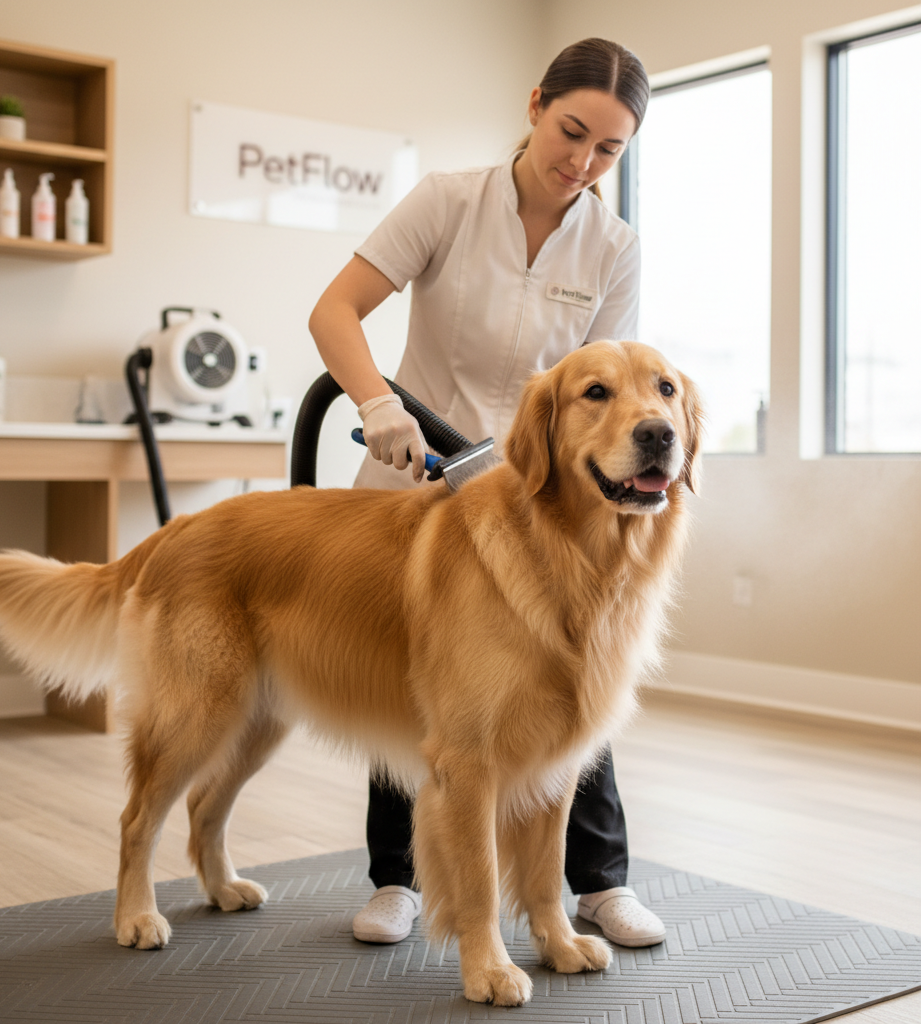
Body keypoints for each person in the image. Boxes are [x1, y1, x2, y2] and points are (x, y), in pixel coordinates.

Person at [308, 37, 665, 950]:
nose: (580, 163)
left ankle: (596, 885)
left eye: (608, 150)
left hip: (534, 495)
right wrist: (378, 402)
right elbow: (334, 310)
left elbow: (609, 380)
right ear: (537, 103)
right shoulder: (446, 201)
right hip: (414, 480)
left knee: (576, 671)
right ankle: (400, 881)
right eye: (571, 131)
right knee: (415, 685)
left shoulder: (614, 245)